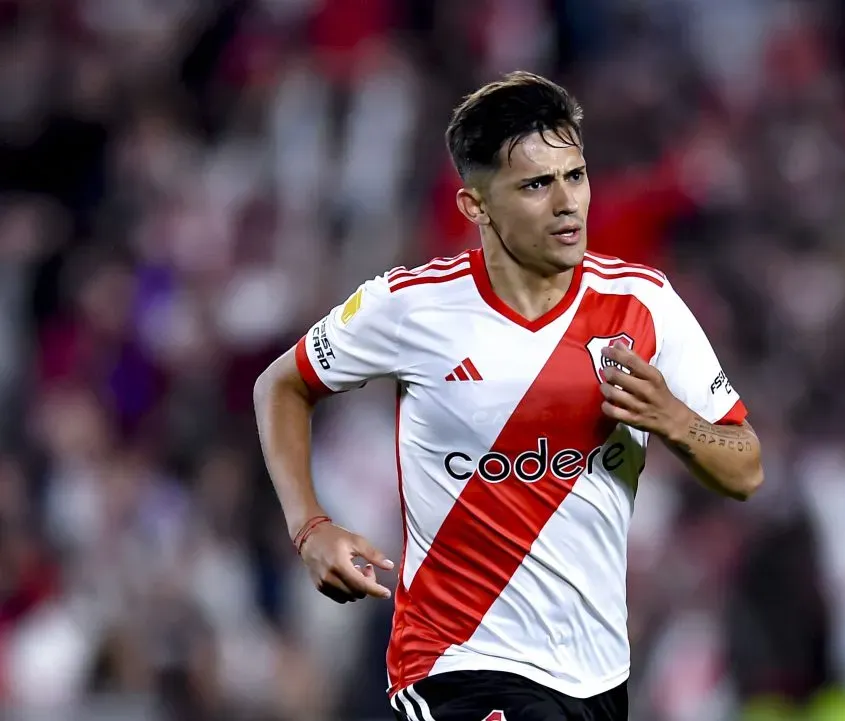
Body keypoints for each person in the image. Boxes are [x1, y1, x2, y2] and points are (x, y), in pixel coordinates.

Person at [253, 71, 764, 721]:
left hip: (592, 675)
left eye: (574, 177)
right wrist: (310, 525)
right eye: (535, 185)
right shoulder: (412, 307)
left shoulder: (645, 303)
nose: (565, 203)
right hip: (457, 663)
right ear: (476, 207)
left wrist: (676, 420)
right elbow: (282, 382)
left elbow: (745, 464)